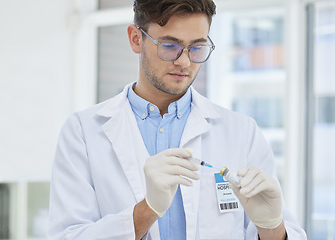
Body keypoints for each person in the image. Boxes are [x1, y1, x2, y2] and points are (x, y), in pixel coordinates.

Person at [47, 0, 307, 239]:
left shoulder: (241, 132)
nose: (184, 61)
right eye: (169, 46)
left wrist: (271, 224)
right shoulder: (83, 131)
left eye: (197, 47)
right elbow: (67, 235)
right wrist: (147, 210)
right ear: (136, 39)